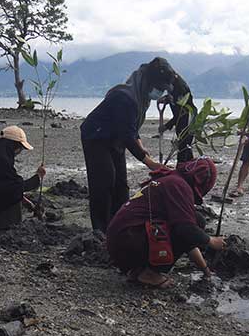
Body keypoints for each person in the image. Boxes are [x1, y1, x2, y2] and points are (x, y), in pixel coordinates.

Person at [81, 58, 178, 233]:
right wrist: (149, 162)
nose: (160, 91)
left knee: (121, 185)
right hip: (96, 136)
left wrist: (140, 145)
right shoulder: (125, 97)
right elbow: (126, 134)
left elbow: (131, 126)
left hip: (114, 137)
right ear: (149, 82)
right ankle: (100, 230)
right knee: (104, 181)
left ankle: (119, 225)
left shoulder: (142, 97)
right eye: (160, 87)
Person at [107, 158, 226, 289]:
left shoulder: (171, 179)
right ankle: (150, 273)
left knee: (195, 220)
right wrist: (211, 241)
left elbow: (188, 241)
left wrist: (205, 270)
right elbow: (185, 230)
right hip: (129, 241)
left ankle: (139, 270)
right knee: (194, 223)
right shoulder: (179, 185)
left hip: (121, 242)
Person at [158, 73, 196, 163]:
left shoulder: (181, 89)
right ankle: (191, 169)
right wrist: (166, 99)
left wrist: (166, 126)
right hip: (181, 120)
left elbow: (181, 114)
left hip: (188, 120)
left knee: (183, 148)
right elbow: (173, 99)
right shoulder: (172, 86)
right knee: (186, 148)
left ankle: (181, 170)